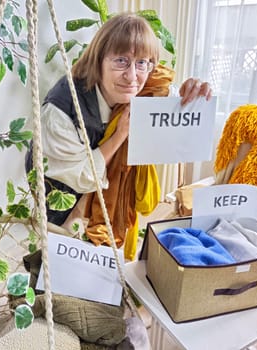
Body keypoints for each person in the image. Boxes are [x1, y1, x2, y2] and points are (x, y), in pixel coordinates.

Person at [26, 12, 212, 261]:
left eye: (142, 63)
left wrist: (193, 95)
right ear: (99, 60)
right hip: (64, 202)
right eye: (121, 61)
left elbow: (172, 99)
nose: (133, 76)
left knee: (106, 271)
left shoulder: (145, 86)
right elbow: (81, 176)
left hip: (104, 204)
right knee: (61, 265)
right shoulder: (60, 110)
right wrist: (121, 133)